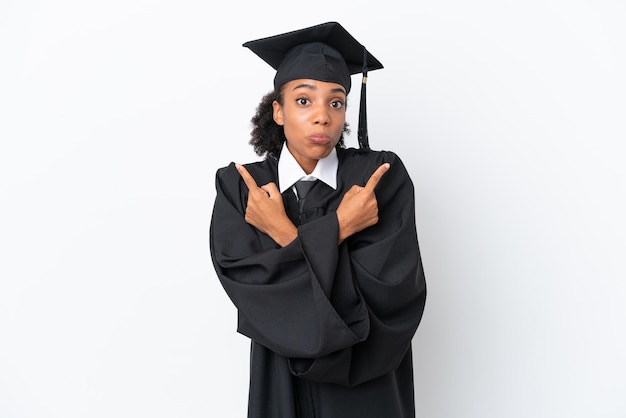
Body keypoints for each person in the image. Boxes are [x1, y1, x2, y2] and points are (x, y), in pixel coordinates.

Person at [209, 21, 427, 418]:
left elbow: (388, 299)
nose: (323, 117)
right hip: (281, 385)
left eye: (336, 101)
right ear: (278, 110)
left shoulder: (379, 179)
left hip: (368, 392)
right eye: (304, 101)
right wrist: (340, 229)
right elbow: (261, 300)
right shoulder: (244, 189)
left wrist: (282, 234)